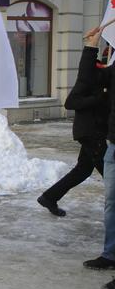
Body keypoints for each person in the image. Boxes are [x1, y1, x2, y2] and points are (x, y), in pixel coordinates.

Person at [37, 42, 109, 216]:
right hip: (90, 132)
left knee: (83, 170)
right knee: (110, 171)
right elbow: (70, 103)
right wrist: (98, 98)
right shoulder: (91, 76)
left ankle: (49, 197)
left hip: (95, 132)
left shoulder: (106, 78)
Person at [82, 26, 115, 270]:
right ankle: (110, 254)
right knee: (111, 202)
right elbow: (90, 80)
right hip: (113, 143)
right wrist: (91, 48)